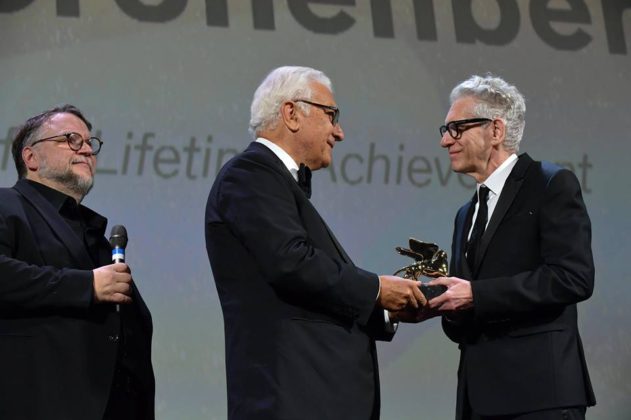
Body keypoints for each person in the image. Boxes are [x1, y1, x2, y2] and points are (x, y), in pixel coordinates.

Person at [205, 66, 427, 420]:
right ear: (291, 113)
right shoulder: (250, 174)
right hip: (291, 397)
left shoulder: (272, 181)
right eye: (331, 115)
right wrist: (376, 289)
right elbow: (292, 263)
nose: (339, 133)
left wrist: (386, 308)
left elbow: (308, 290)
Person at [428, 75, 596, 419]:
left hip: (539, 397)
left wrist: (476, 294)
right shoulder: (466, 213)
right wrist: (440, 303)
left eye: (456, 128)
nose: (446, 141)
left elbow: (572, 277)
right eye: (444, 130)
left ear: (496, 131)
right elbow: (468, 311)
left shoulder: (550, 184)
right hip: (478, 401)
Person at [0, 105, 155, 420]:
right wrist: (85, 285)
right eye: (70, 139)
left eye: (89, 142)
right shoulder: (7, 205)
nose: (86, 149)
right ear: (30, 158)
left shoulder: (93, 232)